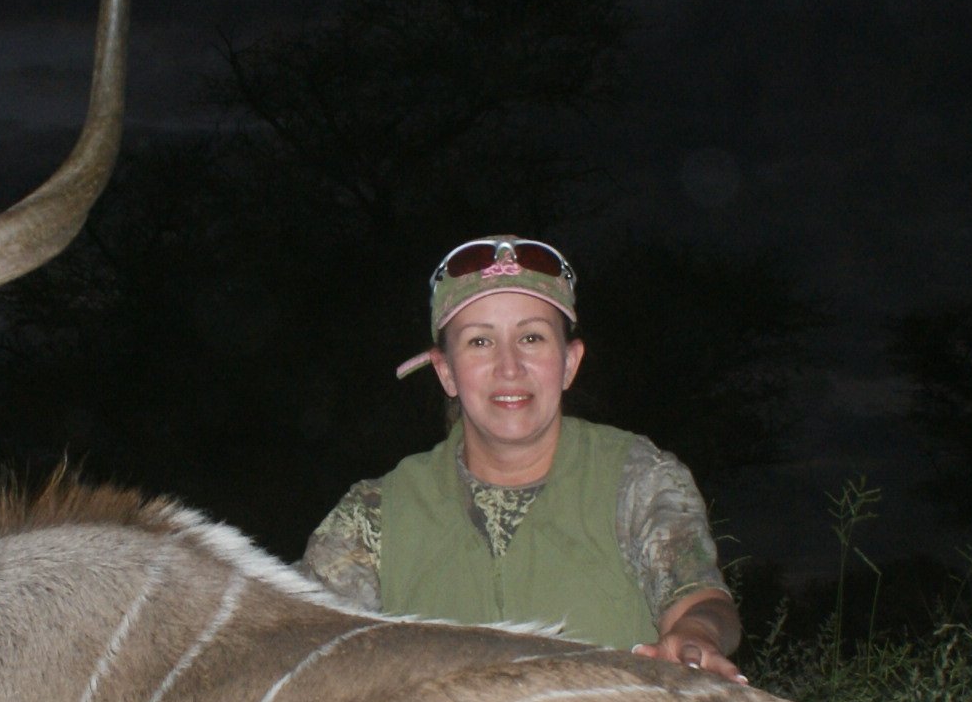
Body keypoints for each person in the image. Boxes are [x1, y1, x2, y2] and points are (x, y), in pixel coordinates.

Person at [302, 236, 744, 678]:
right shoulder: (373, 516)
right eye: (479, 342)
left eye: (532, 337)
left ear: (569, 362)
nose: (509, 367)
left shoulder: (638, 476)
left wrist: (696, 635)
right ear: (445, 371)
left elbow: (697, 595)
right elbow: (298, 642)